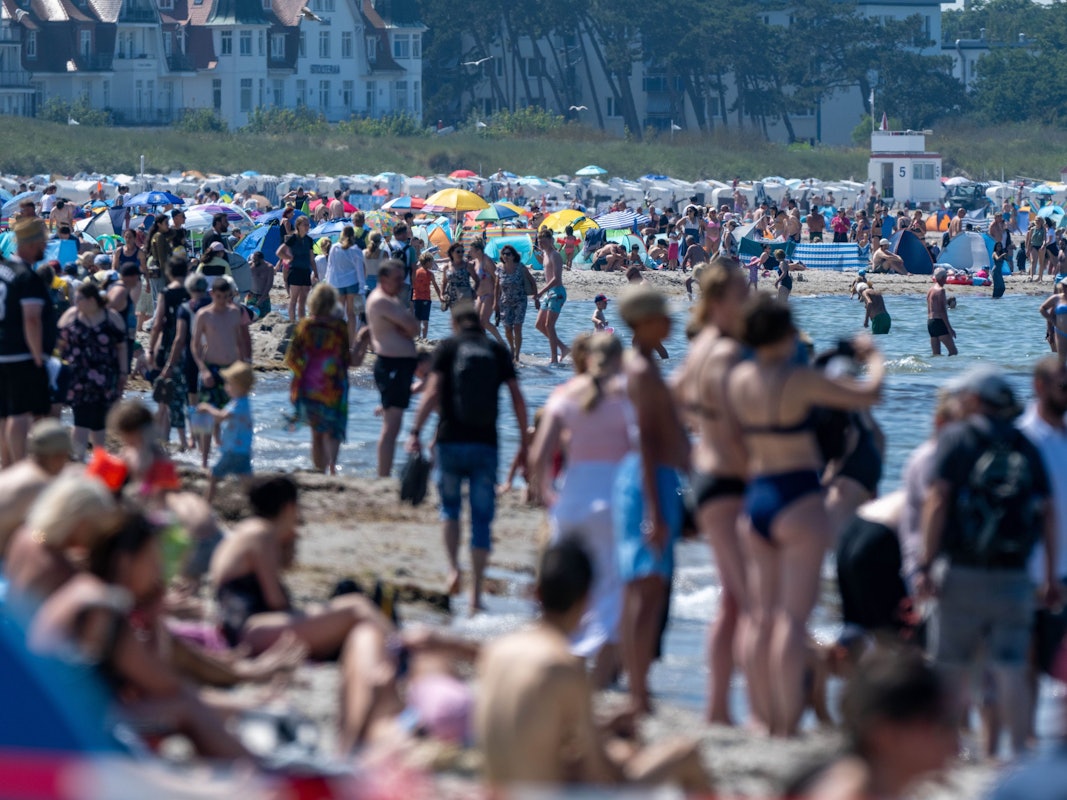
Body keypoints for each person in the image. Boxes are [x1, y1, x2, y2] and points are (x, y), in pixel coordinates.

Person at [727, 296, 884, 736]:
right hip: (796, 494)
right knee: (792, 621)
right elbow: (870, 394)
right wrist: (874, 358)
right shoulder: (799, 380)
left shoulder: (738, 379)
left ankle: (759, 715)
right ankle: (785, 721)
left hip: (757, 496)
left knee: (760, 616)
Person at [475, 540, 711, 793]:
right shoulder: (563, 666)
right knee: (686, 754)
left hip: (502, 793)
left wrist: (605, 730)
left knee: (619, 750)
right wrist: (619, 755)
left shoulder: (495, 651)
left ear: (536, 593)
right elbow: (597, 772)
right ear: (587, 600)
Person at [915, 366, 1056, 759]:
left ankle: (944, 750)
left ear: (976, 400)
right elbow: (1047, 511)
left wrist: (924, 565)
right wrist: (1048, 577)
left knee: (949, 664)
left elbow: (937, 500)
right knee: (1010, 665)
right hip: (1013, 574)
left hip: (961, 569)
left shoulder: (958, 438)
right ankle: (1019, 751)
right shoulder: (1024, 442)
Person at [406, 302, 528, 613]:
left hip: (449, 441)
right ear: (479, 321)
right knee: (482, 519)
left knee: (450, 509)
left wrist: (415, 432)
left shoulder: (448, 348)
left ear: (455, 322)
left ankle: (453, 569)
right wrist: (525, 440)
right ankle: (475, 596)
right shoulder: (497, 352)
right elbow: (516, 396)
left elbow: (432, 392)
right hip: (486, 443)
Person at [529, 334, 629, 686]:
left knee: (566, 587)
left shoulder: (566, 393)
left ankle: (557, 669)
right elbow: (643, 455)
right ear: (620, 359)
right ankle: (599, 686)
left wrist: (545, 492)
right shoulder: (627, 396)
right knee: (610, 594)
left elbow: (538, 453)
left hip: (571, 500)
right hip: (612, 503)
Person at [675, 259, 750, 724]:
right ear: (721, 300)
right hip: (726, 476)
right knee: (744, 596)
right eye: (742, 293)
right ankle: (726, 704)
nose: (749, 300)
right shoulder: (723, 350)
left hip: (710, 472)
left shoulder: (700, 347)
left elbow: (673, 403)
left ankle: (720, 704)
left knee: (734, 599)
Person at [613, 285, 690, 715]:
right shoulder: (641, 369)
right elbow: (645, 441)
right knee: (647, 589)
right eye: (664, 316)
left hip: (651, 477)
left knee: (647, 588)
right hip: (648, 480)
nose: (672, 322)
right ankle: (637, 690)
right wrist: (656, 510)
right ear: (645, 323)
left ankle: (637, 685)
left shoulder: (641, 365)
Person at [209, 476, 388, 659]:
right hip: (252, 632)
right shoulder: (262, 534)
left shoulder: (246, 531)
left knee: (342, 624)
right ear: (290, 507)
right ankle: (398, 648)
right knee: (356, 606)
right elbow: (276, 602)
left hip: (245, 630)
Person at [795, 651, 957, 800]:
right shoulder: (848, 792)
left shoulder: (857, 782)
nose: (955, 742)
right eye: (942, 724)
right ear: (885, 734)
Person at [0, 219, 54, 468]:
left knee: (3, 413)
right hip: (20, 353)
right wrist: (37, 358)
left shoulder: (4, 269)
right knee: (18, 413)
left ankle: (6, 463)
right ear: (32, 244)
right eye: (43, 242)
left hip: (3, 349)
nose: (45, 247)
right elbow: (32, 320)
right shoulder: (27, 277)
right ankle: (19, 464)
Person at [56, 282, 128, 461]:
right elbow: (58, 343)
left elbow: (121, 346)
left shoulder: (111, 317)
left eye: (78, 298)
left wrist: (123, 372)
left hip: (105, 375)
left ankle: (99, 459)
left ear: (91, 299)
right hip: (78, 376)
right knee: (81, 418)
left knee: (100, 420)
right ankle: (78, 459)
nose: (75, 301)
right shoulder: (71, 316)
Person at [285, 283, 350, 475]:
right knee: (334, 427)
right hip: (334, 385)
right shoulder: (339, 327)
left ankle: (319, 470)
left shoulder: (305, 325)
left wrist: (297, 383)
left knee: (317, 433)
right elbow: (345, 357)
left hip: (310, 386)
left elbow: (292, 358)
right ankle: (332, 466)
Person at [366, 260, 420, 477]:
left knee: (393, 425)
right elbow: (412, 326)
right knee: (391, 426)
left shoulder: (390, 300)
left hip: (399, 365)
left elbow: (411, 327)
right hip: (391, 364)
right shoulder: (381, 301)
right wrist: (405, 324)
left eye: (402, 277)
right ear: (383, 279)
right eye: (397, 279)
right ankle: (383, 475)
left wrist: (406, 324)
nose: (402, 283)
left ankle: (385, 473)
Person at [190, 278, 250, 468]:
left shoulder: (234, 313)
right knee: (206, 416)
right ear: (211, 295)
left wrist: (244, 366)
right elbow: (195, 345)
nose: (222, 300)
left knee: (233, 414)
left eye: (226, 296)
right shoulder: (204, 314)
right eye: (218, 296)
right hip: (211, 367)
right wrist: (203, 369)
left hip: (231, 370)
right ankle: (205, 462)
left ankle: (232, 454)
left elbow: (240, 342)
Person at [0, 419, 71, 559]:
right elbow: (38, 535)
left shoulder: (16, 471)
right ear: (58, 456)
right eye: (66, 457)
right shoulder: (40, 485)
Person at [148, 256, 191, 451]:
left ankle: (164, 438)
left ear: (169, 272)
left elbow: (157, 324)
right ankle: (193, 439)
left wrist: (151, 349)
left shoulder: (167, 293)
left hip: (169, 345)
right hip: (191, 346)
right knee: (190, 394)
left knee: (165, 393)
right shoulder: (193, 292)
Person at [197, 361, 254, 503]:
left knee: (213, 475)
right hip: (243, 450)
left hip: (233, 451)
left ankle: (206, 505)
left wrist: (207, 408)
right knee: (246, 481)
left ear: (240, 386)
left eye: (229, 384)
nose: (226, 387)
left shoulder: (239, 404)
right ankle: (259, 505)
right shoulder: (241, 402)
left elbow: (221, 417)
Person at [495, 244, 536, 365]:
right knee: (508, 328)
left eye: (508, 254)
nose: (506, 256)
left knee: (517, 327)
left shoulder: (520, 267)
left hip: (520, 301)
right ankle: (511, 348)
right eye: (504, 254)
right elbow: (497, 287)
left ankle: (517, 354)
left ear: (514, 256)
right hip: (505, 302)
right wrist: (495, 303)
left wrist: (536, 297)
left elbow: (532, 281)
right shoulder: (499, 268)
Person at [324, 225, 366, 345]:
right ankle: (351, 342)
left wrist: (327, 283)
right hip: (352, 283)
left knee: (338, 314)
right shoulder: (356, 249)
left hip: (337, 283)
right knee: (351, 314)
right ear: (353, 236)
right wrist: (362, 287)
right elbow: (360, 270)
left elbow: (330, 267)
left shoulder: (334, 248)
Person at [535, 228, 571, 365]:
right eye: (540, 242)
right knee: (539, 324)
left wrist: (540, 292)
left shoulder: (555, 255)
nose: (541, 244)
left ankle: (554, 358)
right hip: (549, 293)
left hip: (557, 292)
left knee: (549, 325)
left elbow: (556, 279)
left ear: (551, 241)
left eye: (544, 242)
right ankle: (563, 348)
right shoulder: (544, 254)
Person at [276, 215, 315, 321]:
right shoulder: (293, 238)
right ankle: (293, 322)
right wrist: (289, 258)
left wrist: (315, 272)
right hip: (295, 271)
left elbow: (311, 258)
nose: (307, 227)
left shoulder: (309, 240)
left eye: (308, 225)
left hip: (306, 271)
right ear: (298, 226)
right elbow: (279, 252)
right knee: (294, 299)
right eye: (305, 225)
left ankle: (301, 324)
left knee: (303, 301)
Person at [470, 239, 506, 346]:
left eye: (472, 250)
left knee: (484, 321)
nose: (470, 252)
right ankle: (482, 343)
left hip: (489, 295)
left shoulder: (487, 261)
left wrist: (498, 298)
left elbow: (498, 279)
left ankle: (501, 343)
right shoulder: (476, 262)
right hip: (479, 296)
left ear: (479, 251)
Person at [410, 252, 442, 340]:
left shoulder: (416, 272)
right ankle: (424, 338)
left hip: (416, 298)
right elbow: (436, 287)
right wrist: (440, 297)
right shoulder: (430, 274)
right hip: (426, 299)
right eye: (432, 262)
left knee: (417, 320)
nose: (433, 264)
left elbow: (412, 285)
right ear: (427, 262)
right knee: (425, 321)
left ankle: (417, 337)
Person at [926, 268, 958, 356]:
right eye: (946, 277)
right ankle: (949, 369)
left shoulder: (930, 290)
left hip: (930, 323)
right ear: (942, 277)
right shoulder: (941, 290)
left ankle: (938, 369)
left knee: (936, 354)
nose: (946, 279)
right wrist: (949, 328)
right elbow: (942, 311)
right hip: (939, 322)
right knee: (953, 352)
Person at [1039, 281, 1067, 365]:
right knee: (1061, 360)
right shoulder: (1057, 298)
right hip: (1060, 332)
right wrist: (1050, 331)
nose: (1066, 288)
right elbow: (1043, 309)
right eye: (1064, 286)